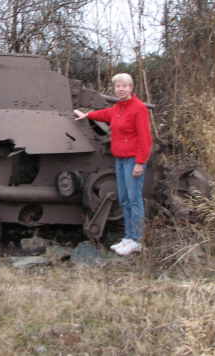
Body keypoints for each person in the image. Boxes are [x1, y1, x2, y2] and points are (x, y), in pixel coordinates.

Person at [74, 73, 152, 256]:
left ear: (131, 88)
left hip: (133, 160)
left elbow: (145, 139)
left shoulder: (138, 108)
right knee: (124, 199)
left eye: (124, 86)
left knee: (134, 200)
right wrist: (86, 115)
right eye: (118, 86)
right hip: (120, 159)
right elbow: (104, 114)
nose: (121, 89)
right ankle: (128, 237)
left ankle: (137, 240)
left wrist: (140, 163)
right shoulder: (118, 108)